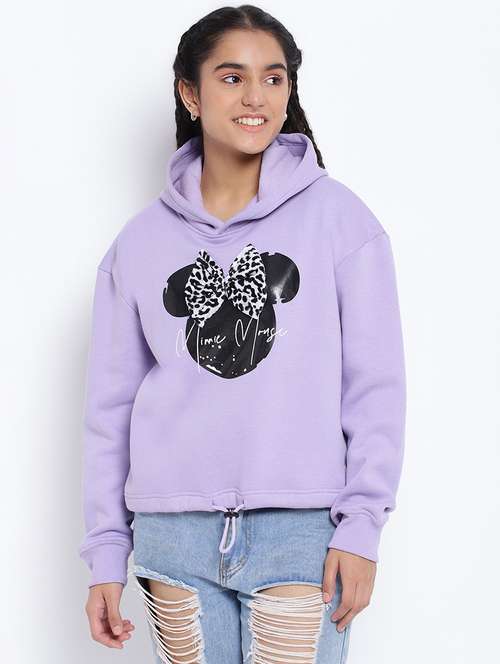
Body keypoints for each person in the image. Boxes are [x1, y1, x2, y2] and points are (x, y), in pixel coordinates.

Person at [78, 4, 406, 663]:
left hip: (302, 531)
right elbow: (109, 412)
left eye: (273, 78)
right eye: (232, 77)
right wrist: (106, 553)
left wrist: (361, 528)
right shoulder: (138, 245)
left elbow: (375, 388)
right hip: (172, 536)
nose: (256, 97)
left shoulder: (341, 221)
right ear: (190, 94)